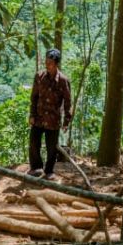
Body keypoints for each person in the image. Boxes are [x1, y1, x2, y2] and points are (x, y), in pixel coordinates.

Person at [28, 48, 72, 180]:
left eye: (50, 63)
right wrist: (32, 114)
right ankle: (36, 168)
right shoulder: (39, 76)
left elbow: (68, 102)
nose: (48, 65)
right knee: (34, 142)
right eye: (46, 62)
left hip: (53, 119)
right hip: (39, 117)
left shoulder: (64, 81)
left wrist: (66, 121)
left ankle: (49, 171)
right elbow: (34, 97)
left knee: (51, 148)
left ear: (56, 64)